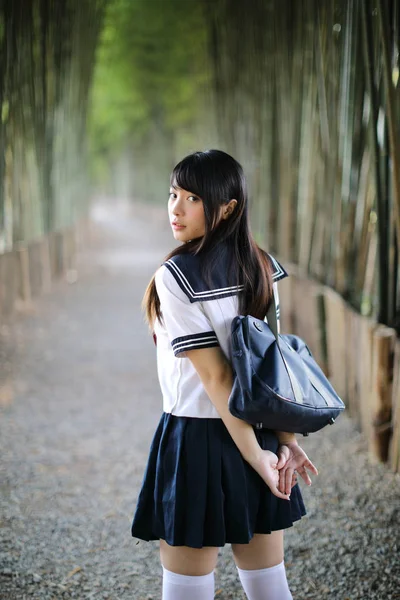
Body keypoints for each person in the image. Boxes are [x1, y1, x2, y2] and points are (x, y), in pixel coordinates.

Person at [131, 149, 318, 600]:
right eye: (173, 193)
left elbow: (218, 380)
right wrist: (282, 444)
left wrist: (262, 455)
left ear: (228, 207)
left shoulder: (175, 277)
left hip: (197, 439)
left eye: (193, 197)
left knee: (187, 591)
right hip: (257, 435)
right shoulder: (259, 262)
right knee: (270, 588)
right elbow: (269, 370)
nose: (176, 208)